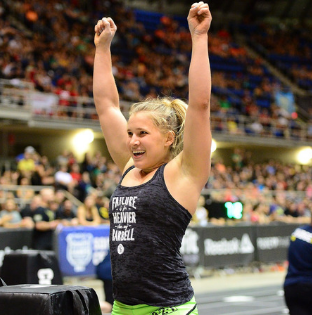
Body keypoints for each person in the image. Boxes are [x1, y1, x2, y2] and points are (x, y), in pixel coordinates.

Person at [93, 2, 212, 313]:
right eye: (131, 133)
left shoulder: (183, 174)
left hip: (169, 308)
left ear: (169, 138)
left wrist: (199, 38)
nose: (132, 140)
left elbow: (200, 105)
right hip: (123, 307)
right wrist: (102, 49)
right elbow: (106, 105)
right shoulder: (129, 167)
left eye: (142, 134)